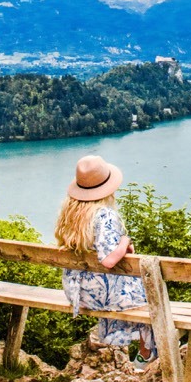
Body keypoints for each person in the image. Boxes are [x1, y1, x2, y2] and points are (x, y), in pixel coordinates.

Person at [55, 154, 157, 369]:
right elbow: (109, 260)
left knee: (135, 292)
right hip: (100, 295)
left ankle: (142, 352)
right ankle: (146, 355)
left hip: (77, 292)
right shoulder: (104, 215)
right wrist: (124, 243)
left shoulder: (71, 212)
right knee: (151, 298)